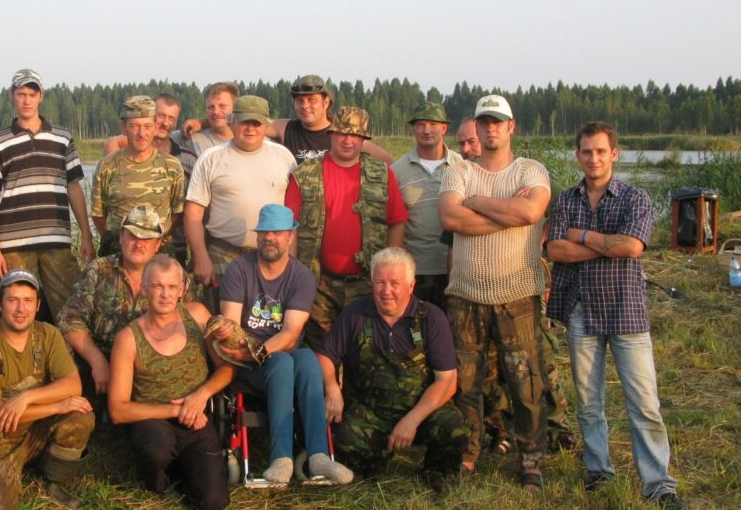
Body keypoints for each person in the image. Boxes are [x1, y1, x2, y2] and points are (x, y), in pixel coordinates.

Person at [545, 121, 685, 510]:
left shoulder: (635, 198)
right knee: (589, 402)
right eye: (586, 151)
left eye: (601, 151)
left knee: (644, 403)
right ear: (578, 155)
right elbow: (555, 250)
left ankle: (658, 484)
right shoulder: (566, 200)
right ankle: (598, 471)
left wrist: (584, 237)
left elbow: (633, 248)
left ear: (614, 154)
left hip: (626, 310)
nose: (593, 158)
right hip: (579, 309)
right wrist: (607, 244)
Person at [438, 94, 551, 489]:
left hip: (516, 295)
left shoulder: (530, 171)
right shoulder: (459, 172)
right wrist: (506, 212)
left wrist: (479, 203)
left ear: (511, 126)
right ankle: (467, 455)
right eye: (484, 122)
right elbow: (451, 217)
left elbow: (531, 213)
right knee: (466, 382)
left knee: (525, 380)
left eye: (497, 122)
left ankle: (531, 460)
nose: (490, 129)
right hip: (466, 295)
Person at [214, 204, 354, 484]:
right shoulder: (239, 270)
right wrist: (252, 353)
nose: (270, 238)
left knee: (305, 359)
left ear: (290, 237)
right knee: (282, 361)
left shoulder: (301, 276)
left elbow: (291, 332)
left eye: (277, 232)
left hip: (277, 353)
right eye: (264, 232)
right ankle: (281, 458)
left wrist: (262, 351)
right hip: (244, 359)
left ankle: (319, 456)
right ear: (257, 237)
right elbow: (231, 327)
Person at [318, 248, 469, 486]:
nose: (386, 291)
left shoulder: (430, 318)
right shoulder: (355, 314)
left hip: (421, 410)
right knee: (345, 438)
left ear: (411, 286)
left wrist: (412, 420)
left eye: (395, 283)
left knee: (454, 427)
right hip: (371, 411)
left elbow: (447, 382)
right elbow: (325, 355)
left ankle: (438, 472)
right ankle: (374, 464)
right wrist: (332, 388)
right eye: (380, 282)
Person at [0, 270, 95, 510]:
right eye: (13, 300)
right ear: (0, 305)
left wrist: (26, 398)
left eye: (28, 301)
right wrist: (57, 405)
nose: (20, 309)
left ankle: (53, 479)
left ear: (38, 305)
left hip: (35, 428)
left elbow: (73, 384)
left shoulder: (48, 334)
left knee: (79, 416)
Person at [108, 255, 233, 510]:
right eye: (157, 286)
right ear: (144, 289)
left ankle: (184, 473)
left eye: (172, 287)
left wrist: (201, 395)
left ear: (181, 290)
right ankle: (157, 481)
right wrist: (178, 410)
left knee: (213, 502)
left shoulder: (198, 316)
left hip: (197, 417)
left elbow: (227, 368)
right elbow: (118, 410)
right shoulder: (128, 338)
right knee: (157, 447)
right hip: (154, 421)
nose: (165, 294)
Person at [285, 106, 407, 348]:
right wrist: (294, 275)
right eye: (342, 133)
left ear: (363, 138)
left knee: (365, 350)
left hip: (367, 284)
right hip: (319, 285)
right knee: (320, 349)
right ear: (330, 134)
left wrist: (390, 268)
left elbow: (397, 222)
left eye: (355, 135)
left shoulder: (381, 174)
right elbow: (291, 229)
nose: (348, 140)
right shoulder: (305, 173)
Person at [0, 68, 95, 320]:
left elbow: (74, 188)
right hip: (13, 245)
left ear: (41, 96)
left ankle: (71, 359)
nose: (27, 100)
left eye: (32, 94)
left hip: (57, 239)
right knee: (18, 312)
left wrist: (86, 234)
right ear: (12, 96)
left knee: (71, 309)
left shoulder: (63, 138)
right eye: (21, 93)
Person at [58, 204, 192, 401]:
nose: (139, 244)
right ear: (121, 237)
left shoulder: (175, 276)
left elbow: (191, 324)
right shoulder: (98, 270)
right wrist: (97, 360)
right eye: (133, 236)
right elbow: (69, 320)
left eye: (147, 238)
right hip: (100, 365)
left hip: (152, 369)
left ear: (158, 244)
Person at [184, 95, 297, 307]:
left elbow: (293, 211)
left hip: (272, 252)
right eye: (245, 122)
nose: (251, 128)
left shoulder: (284, 157)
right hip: (224, 253)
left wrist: (292, 257)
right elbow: (193, 214)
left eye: (257, 123)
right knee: (221, 323)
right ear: (232, 123)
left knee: (267, 318)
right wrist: (201, 257)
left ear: (266, 125)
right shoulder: (211, 158)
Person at [180, 74, 395, 165]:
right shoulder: (286, 129)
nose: (305, 106)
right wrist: (203, 122)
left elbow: (391, 163)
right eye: (300, 101)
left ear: (326, 102)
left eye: (311, 100)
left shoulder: (342, 137)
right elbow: (248, 121)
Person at [91, 95, 185, 257]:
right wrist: (121, 240)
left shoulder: (171, 166)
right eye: (135, 126)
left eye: (148, 126)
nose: (142, 133)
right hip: (117, 254)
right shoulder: (108, 165)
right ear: (123, 127)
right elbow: (98, 214)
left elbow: (177, 213)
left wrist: (153, 242)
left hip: (159, 253)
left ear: (155, 127)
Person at [390, 102, 463, 307]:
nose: (426, 130)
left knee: (450, 332)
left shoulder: (462, 167)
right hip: (414, 271)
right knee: (415, 331)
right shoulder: (398, 170)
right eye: (421, 125)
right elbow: (393, 222)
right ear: (414, 128)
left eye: (432, 124)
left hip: (455, 269)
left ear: (444, 128)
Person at [171, 82, 238, 156]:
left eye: (222, 106)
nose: (216, 112)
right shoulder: (191, 137)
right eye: (210, 107)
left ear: (235, 107)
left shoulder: (246, 139)